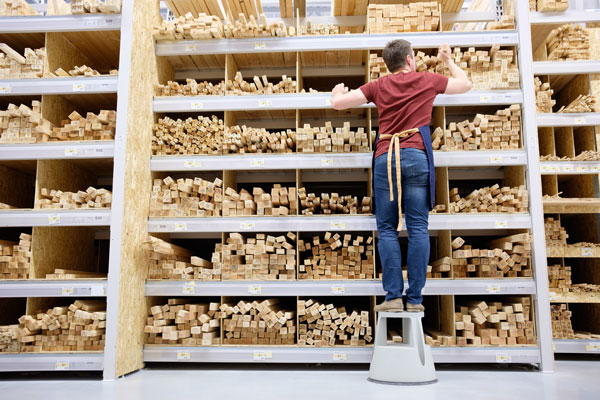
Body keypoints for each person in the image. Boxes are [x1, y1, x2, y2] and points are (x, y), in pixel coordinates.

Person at [331, 39, 472, 312]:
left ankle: (394, 297)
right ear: (409, 60)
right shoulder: (427, 80)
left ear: (388, 64)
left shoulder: (377, 85)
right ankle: (416, 300)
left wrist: (337, 91)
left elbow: (339, 104)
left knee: (386, 229)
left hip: (386, 158)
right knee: (418, 227)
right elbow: (465, 84)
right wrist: (448, 61)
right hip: (416, 156)